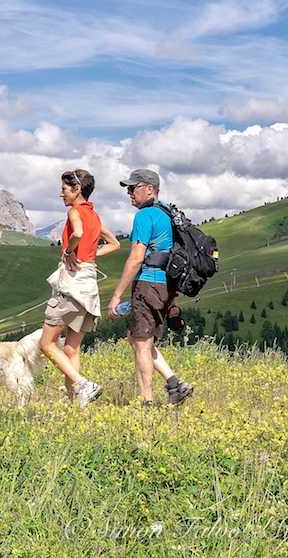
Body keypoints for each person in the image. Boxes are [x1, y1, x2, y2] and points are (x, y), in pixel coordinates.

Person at [106, 169, 194, 406]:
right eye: (128, 189)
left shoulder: (144, 216)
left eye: (133, 188)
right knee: (135, 339)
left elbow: (136, 259)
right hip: (166, 285)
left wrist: (116, 296)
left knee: (142, 344)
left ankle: (146, 403)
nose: (129, 193)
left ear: (149, 188)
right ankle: (175, 384)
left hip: (148, 284)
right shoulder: (167, 213)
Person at [40, 169, 121, 407]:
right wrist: (89, 255)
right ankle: (75, 402)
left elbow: (78, 232)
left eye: (64, 189)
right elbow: (115, 244)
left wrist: (68, 251)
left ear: (76, 190)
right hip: (89, 287)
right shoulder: (94, 215)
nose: (61, 194)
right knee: (72, 349)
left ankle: (83, 384)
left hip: (72, 286)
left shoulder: (74, 211)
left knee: (46, 343)